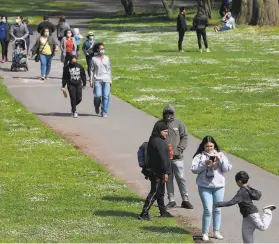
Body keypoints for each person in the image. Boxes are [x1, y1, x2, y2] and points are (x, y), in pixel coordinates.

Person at [214, 171, 276, 243]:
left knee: (262, 227)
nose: (236, 183)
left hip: (251, 213)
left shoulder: (241, 192)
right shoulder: (248, 187)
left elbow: (231, 202)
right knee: (247, 236)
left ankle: (267, 211)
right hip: (246, 216)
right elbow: (256, 196)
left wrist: (217, 204)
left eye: (236, 181)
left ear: (239, 181)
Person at [191, 136, 232, 241]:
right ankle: (205, 232)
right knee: (208, 210)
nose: (209, 148)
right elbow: (194, 170)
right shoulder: (199, 156)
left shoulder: (220, 154)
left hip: (219, 186)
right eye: (207, 146)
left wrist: (220, 160)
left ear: (214, 145)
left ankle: (216, 231)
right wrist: (204, 164)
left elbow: (227, 169)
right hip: (205, 186)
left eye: (211, 146)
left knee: (217, 209)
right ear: (203, 146)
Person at [138, 121, 173, 220]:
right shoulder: (158, 141)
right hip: (158, 172)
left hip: (156, 170)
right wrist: (166, 172)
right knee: (155, 192)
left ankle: (163, 211)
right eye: (165, 131)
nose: (167, 133)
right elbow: (163, 158)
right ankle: (144, 213)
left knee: (160, 192)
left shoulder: (155, 139)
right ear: (159, 131)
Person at [162, 104, 193, 210]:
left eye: (170, 113)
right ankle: (171, 200)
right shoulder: (161, 124)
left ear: (173, 113)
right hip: (165, 158)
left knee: (181, 178)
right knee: (168, 179)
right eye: (166, 113)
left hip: (177, 157)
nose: (168, 116)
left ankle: (185, 200)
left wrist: (180, 149)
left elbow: (185, 136)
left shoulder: (179, 123)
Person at [90, 42, 112, 118]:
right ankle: (96, 105)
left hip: (106, 79)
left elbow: (109, 69)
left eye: (103, 48)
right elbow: (92, 70)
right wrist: (91, 80)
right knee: (97, 96)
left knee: (106, 96)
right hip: (97, 80)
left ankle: (104, 112)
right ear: (97, 50)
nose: (103, 50)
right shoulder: (94, 59)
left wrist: (110, 79)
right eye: (101, 48)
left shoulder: (107, 58)